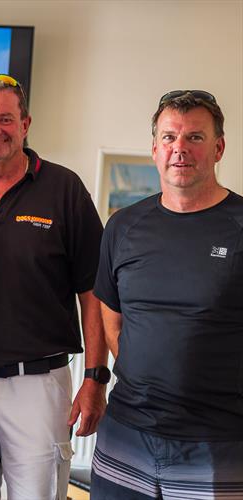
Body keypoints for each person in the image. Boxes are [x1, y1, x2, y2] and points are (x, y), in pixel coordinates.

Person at [0, 74, 108, 499]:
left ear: (25, 124)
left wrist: (96, 378)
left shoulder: (64, 189)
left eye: (5, 119)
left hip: (38, 385)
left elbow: (94, 292)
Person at [91, 90, 243, 499]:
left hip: (219, 440)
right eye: (170, 137)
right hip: (126, 432)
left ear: (219, 148)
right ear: (155, 148)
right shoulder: (122, 227)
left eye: (195, 137)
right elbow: (112, 318)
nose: (181, 149)